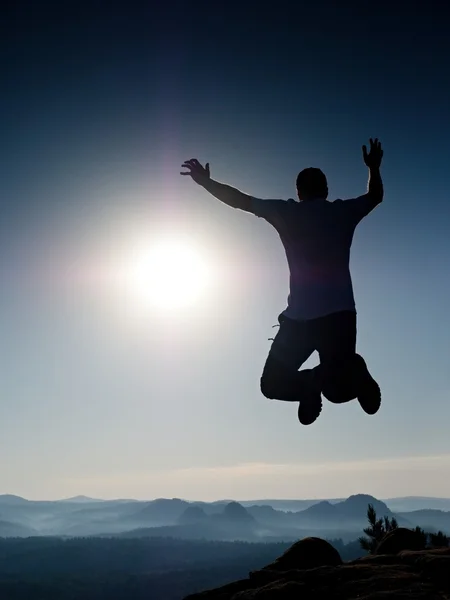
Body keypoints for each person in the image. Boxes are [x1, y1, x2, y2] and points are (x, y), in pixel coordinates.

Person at [180, 138, 383, 425]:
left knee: (272, 385)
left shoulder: (287, 212)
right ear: (326, 190)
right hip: (338, 317)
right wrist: (374, 168)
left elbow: (240, 200)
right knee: (337, 392)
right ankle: (337, 375)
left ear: (298, 192)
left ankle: (324, 379)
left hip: (300, 320)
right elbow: (375, 196)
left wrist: (206, 183)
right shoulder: (342, 212)